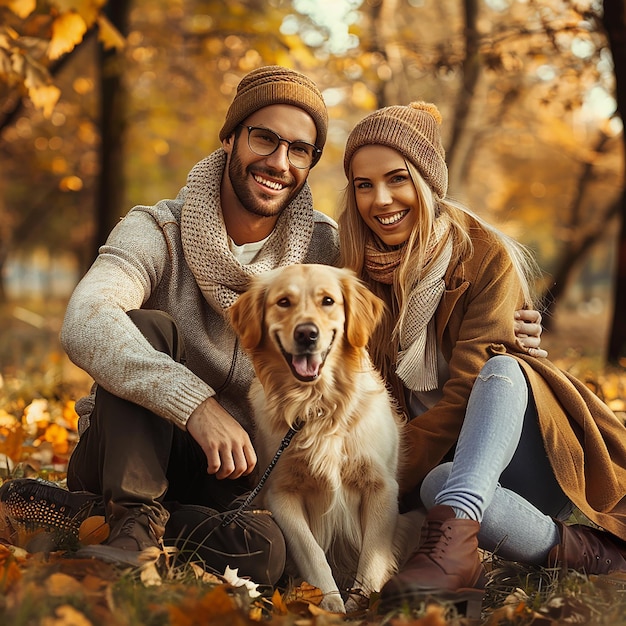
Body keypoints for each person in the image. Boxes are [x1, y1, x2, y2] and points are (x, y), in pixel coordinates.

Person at [2, 67, 543, 587]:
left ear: (309, 164)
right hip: (130, 445)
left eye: (300, 150)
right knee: (145, 327)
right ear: (230, 139)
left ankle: (77, 515)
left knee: (265, 552)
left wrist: (502, 335)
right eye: (264, 138)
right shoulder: (155, 231)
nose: (279, 161)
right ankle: (132, 522)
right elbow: (86, 321)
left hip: (237, 470)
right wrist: (193, 404)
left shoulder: (326, 249)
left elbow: (389, 323)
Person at [338, 100, 626, 614]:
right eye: (363, 184)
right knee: (441, 488)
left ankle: (454, 545)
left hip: (526, 455)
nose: (380, 199)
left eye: (397, 179)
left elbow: (469, 389)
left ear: (428, 182)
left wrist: (381, 475)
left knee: (502, 368)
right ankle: (597, 556)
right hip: (452, 479)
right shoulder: (352, 276)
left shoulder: (482, 254)